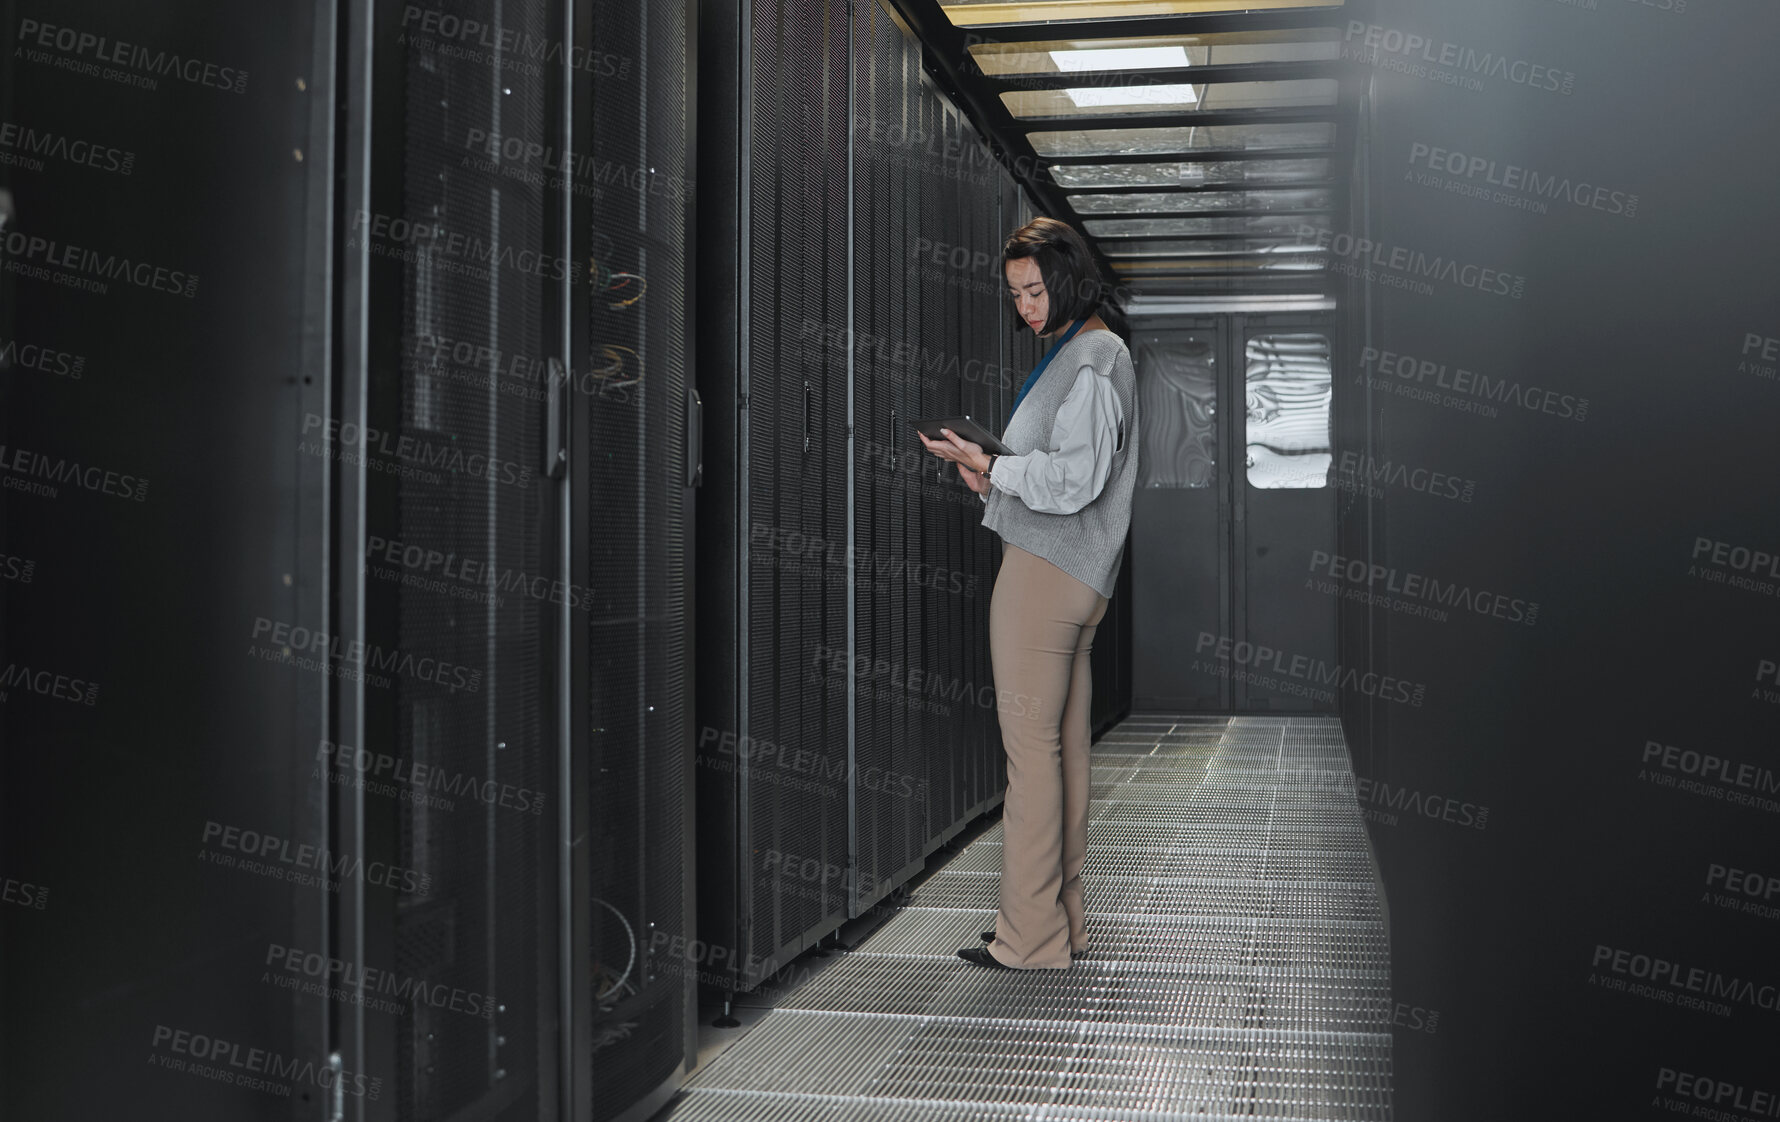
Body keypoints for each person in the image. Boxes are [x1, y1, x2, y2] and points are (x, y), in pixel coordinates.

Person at [917, 216, 1140, 969]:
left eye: (1036, 289)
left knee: (1030, 755)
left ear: (1070, 276)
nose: (1026, 307)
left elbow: (1075, 481)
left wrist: (996, 464)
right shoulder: (1089, 355)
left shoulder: (1092, 358)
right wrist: (988, 474)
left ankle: (1029, 938)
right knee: (1063, 750)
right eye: (1016, 294)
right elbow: (1064, 476)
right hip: (1075, 575)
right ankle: (1062, 925)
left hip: (1045, 576)